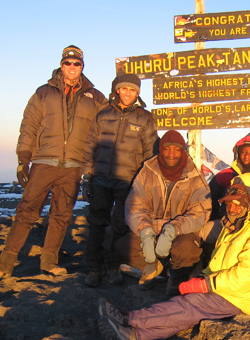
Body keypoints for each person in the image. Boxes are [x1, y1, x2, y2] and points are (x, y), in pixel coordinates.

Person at [97, 173, 250, 340]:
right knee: (187, 308)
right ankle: (135, 335)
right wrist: (204, 276)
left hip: (246, 296)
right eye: (229, 203)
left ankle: (128, 318)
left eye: (237, 203)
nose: (231, 208)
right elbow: (220, 260)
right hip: (229, 289)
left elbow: (245, 278)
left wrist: (206, 284)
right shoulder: (234, 226)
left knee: (191, 304)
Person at [0, 45, 108, 281]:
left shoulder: (95, 97)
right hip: (44, 161)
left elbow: (109, 119)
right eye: (67, 63)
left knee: (62, 215)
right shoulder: (43, 92)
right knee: (26, 211)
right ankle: (4, 264)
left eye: (77, 63)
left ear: (82, 66)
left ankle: (49, 262)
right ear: (61, 65)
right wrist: (23, 160)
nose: (72, 67)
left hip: (73, 165)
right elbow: (28, 126)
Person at [81, 74, 158, 287]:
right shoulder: (103, 114)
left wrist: (144, 184)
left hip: (128, 182)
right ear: (117, 90)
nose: (127, 93)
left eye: (132, 90)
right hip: (101, 179)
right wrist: (87, 177)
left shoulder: (145, 118)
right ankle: (95, 268)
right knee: (96, 224)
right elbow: (90, 147)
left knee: (121, 225)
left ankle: (115, 266)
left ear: (138, 93)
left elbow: (149, 153)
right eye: (124, 89)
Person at [115, 130, 211, 295]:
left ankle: (175, 275)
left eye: (176, 149)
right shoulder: (147, 171)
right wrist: (145, 230)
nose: (171, 154)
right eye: (167, 149)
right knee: (123, 246)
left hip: (181, 233)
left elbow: (200, 211)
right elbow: (135, 204)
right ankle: (152, 266)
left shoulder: (194, 177)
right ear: (161, 150)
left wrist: (173, 228)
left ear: (183, 151)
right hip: (152, 228)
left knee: (186, 250)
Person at [200, 131, 250, 249]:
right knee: (204, 233)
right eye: (243, 152)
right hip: (227, 224)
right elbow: (210, 203)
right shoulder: (224, 176)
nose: (247, 156)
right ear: (238, 153)